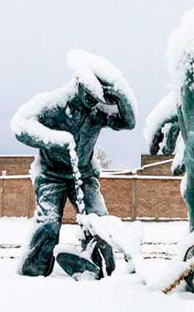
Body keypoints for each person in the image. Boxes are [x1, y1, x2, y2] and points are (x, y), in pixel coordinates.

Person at [11, 50, 136, 277]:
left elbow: (128, 122)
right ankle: (33, 270)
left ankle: (99, 267)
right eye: (89, 96)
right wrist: (54, 139)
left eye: (96, 99)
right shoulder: (54, 105)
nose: (92, 103)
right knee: (49, 222)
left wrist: (120, 93)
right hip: (51, 175)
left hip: (84, 174)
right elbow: (20, 125)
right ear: (78, 84)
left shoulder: (97, 112)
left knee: (98, 219)